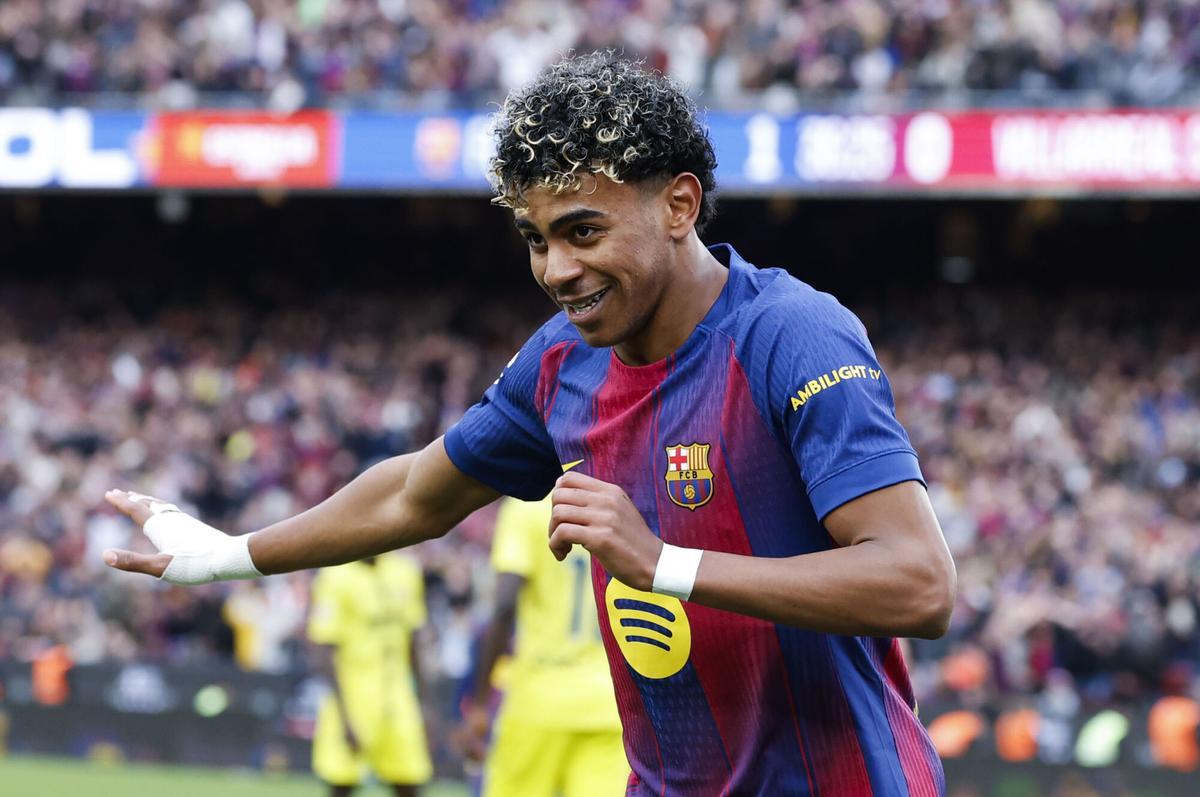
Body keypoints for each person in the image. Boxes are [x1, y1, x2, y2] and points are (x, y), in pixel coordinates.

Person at [102, 53, 957, 795]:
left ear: (679, 205)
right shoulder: (562, 361)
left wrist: (662, 563)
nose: (557, 269)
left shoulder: (793, 334)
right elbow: (414, 494)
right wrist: (227, 553)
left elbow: (918, 583)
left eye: (583, 230)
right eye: (537, 238)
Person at [456, 496, 626, 797]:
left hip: (539, 697)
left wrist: (480, 701)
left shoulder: (526, 508)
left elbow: (505, 604)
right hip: (608, 703)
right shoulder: (614, 504)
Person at [307, 553, 433, 797]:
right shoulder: (334, 576)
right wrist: (344, 717)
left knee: (410, 780)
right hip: (353, 697)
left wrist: (425, 704)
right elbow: (323, 649)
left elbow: (413, 643)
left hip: (399, 697)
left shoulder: (405, 571)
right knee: (342, 783)